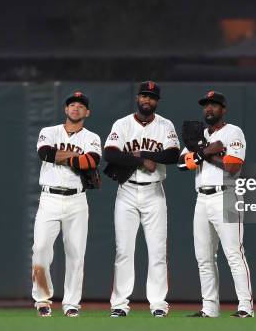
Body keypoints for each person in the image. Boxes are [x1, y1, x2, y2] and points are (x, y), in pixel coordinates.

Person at [104, 81, 180, 318]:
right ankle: (119, 304)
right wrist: (139, 161)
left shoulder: (165, 125)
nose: (147, 100)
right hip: (126, 191)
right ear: (137, 98)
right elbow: (109, 153)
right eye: (144, 96)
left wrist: (144, 154)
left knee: (157, 250)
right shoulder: (123, 124)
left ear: (157, 101)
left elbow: (172, 154)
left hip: (154, 191)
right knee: (124, 250)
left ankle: (158, 303)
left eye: (152, 97)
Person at [178, 91, 254, 318]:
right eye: (206, 105)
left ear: (223, 109)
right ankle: (210, 308)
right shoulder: (199, 135)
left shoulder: (233, 132)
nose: (208, 109)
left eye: (214, 105)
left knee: (234, 253)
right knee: (204, 257)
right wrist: (208, 151)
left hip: (226, 195)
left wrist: (200, 154)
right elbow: (182, 165)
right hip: (201, 198)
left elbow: (232, 167)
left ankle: (245, 307)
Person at [32, 91, 102, 317]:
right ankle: (42, 299)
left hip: (77, 199)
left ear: (87, 112)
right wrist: (75, 160)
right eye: (72, 104)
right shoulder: (48, 132)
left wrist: (61, 156)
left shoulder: (92, 137)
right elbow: (45, 153)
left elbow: (92, 160)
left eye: (80, 106)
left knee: (76, 253)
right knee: (40, 248)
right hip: (49, 198)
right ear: (65, 109)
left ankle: (71, 303)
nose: (75, 108)